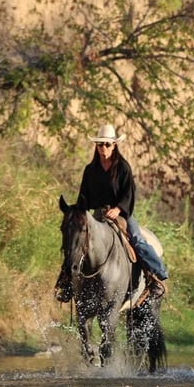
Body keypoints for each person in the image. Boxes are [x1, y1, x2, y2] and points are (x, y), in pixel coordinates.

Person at [55, 124, 169, 303]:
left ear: (114, 145)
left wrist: (119, 209)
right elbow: (83, 196)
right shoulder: (90, 170)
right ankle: (67, 281)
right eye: (100, 144)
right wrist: (77, 212)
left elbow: (129, 193)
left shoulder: (123, 167)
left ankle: (156, 276)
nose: (103, 148)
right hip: (97, 214)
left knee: (137, 240)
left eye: (107, 144)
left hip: (121, 214)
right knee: (77, 241)